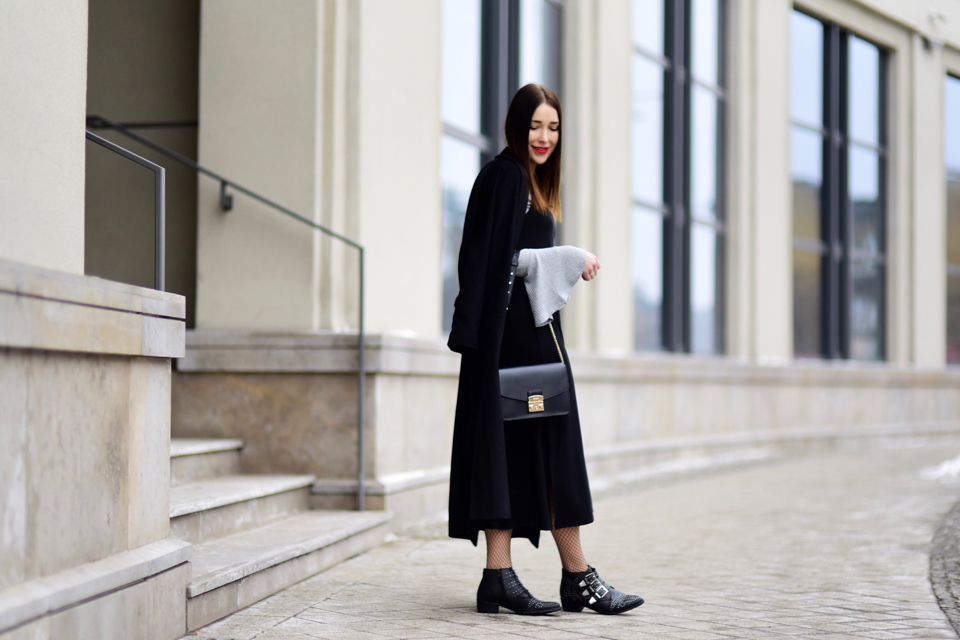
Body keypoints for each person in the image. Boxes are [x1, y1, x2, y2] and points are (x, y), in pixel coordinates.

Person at [446, 84, 645, 616]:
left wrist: (552, 259)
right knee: (528, 450)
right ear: (516, 125)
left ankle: (541, 575)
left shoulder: (528, 182)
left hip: (529, 339)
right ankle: (527, 575)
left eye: (553, 128)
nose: (544, 137)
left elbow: (507, 258)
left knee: (536, 453)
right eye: (536, 125)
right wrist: (564, 257)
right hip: (511, 345)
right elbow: (492, 261)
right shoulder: (505, 176)